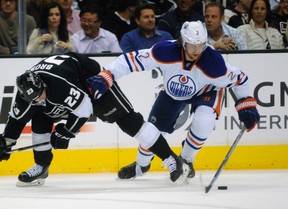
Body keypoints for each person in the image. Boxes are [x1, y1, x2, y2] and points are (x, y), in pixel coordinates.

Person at [100, 21, 259, 180]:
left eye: (201, 45)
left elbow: (240, 79)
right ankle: (141, 165)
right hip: (173, 92)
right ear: (182, 41)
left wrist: (246, 105)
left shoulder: (214, 63)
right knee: (152, 130)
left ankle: (186, 160)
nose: (197, 51)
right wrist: (108, 75)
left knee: (204, 120)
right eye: (192, 45)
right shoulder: (164, 51)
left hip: (206, 90)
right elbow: (131, 61)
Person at [0, 52, 189, 186]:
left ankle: (172, 159)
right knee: (40, 116)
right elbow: (15, 122)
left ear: (42, 84)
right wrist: (4, 143)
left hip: (93, 82)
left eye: (41, 94)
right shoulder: (26, 96)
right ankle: (41, 166)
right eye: (34, 99)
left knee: (128, 121)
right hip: (70, 86)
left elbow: (84, 109)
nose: (39, 99)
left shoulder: (57, 85)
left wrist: (66, 132)